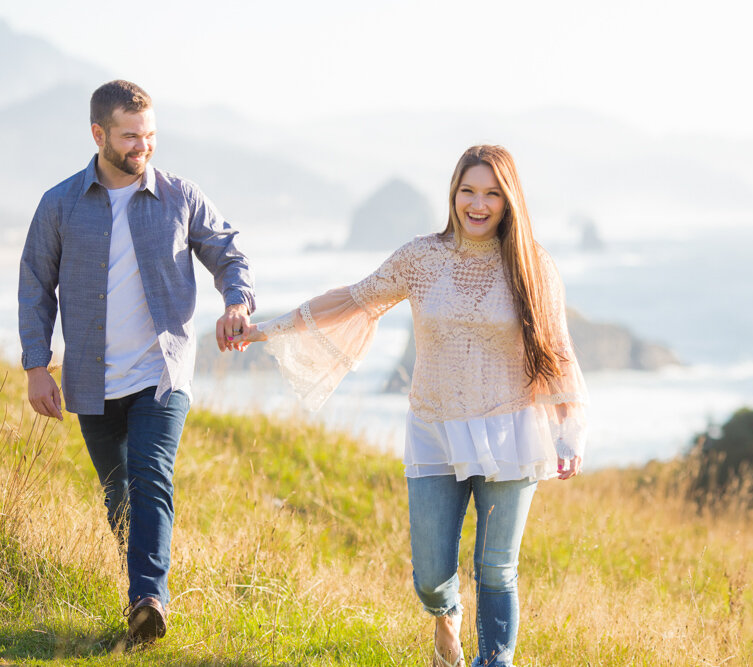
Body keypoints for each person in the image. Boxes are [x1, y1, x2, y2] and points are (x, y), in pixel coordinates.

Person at [232, 144, 587, 667]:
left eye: (492, 193)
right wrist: (267, 329)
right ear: (453, 194)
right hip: (434, 428)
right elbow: (356, 298)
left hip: (509, 428)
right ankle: (446, 616)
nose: (478, 204)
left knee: (496, 569)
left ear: (510, 200)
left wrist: (568, 430)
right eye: (468, 191)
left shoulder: (534, 266)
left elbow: (555, 348)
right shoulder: (421, 258)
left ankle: (496, 662)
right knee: (429, 573)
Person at [18, 79, 255, 645]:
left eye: (149, 135)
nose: (142, 146)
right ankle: (143, 592)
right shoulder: (59, 204)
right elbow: (34, 287)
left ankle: (148, 600)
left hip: (162, 374)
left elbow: (228, 250)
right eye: (130, 136)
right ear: (99, 134)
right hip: (91, 381)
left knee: (152, 477)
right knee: (118, 496)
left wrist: (237, 300)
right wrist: (34, 366)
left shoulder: (180, 196)